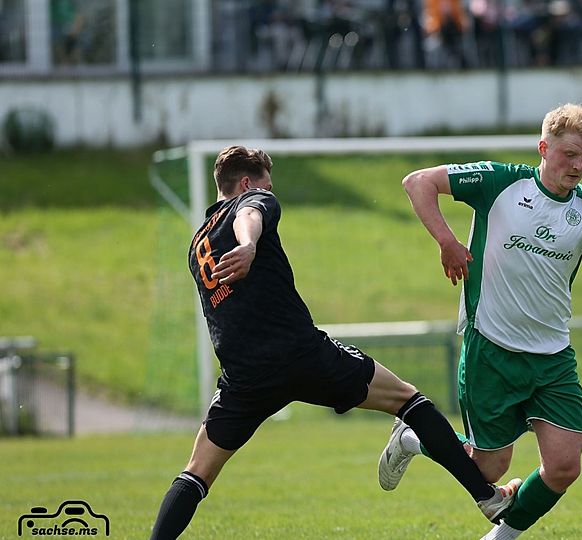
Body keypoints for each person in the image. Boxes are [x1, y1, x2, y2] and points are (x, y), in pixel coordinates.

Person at [149, 146, 520, 539]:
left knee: (195, 474)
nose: (270, 193)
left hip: (244, 379)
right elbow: (250, 215)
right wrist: (249, 246)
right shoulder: (254, 202)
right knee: (409, 401)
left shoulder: (197, 246)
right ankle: (486, 497)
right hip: (301, 355)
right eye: (266, 185)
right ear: (246, 183)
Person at [379, 103, 582, 540]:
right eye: (569, 155)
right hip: (492, 349)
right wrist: (446, 241)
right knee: (489, 468)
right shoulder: (500, 182)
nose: (578, 166)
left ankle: (501, 538)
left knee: (563, 467)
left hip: (552, 358)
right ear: (544, 147)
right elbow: (418, 183)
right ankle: (411, 439)